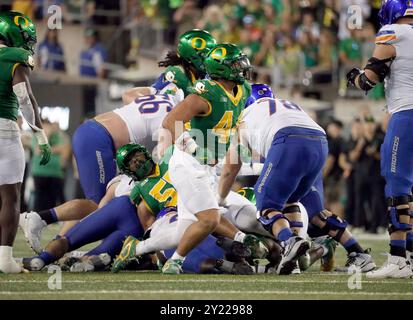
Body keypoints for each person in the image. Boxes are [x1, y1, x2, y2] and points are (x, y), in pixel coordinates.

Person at [160, 43, 254, 274]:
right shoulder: (206, 92)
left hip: (210, 166)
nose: (241, 67)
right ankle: (174, 263)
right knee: (209, 218)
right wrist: (194, 149)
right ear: (220, 68)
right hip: (188, 162)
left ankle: (141, 248)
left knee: (185, 227)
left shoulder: (244, 91)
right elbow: (170, 123)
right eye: (235, 64)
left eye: (241, 62)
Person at [218, 83, 328, 275]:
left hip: (287, 141)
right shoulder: (286, 104)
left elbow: (230, 167)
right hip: (320, 142)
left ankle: (290, 241)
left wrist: (220, 199)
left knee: (265, 203)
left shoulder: (245, 116)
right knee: (291, 200)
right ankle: (295, 259)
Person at [111, 143, 269, 273]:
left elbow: (219, 166)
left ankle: (247, 244)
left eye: (137, 156)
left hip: (193, 202)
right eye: (132, 162)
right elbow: (149, 226)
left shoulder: (170, 160)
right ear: (128, 171)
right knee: (190, 236)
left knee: (210, 214)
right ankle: (237, 251)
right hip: (171, 215)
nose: (137, 162)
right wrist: (158, 256)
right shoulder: (139, 191)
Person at [347, 0, 413, 278]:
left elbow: (369, 80)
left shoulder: (393, 32)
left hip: (407, 112)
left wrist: (355, 78)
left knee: (397, 182)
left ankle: (399, 258)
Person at [0, 11, 51, 273]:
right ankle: (6, 261)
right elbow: (24, 99)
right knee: (10, 198)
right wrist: (40, 136)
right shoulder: (14, 58)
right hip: (4, 131)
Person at [72, 89, 182, 204]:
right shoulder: (176, 117)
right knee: (97, 204)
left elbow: (126, 95)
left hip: (91, 128)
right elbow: (164, 157)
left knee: (100, 202)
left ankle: (54, 216)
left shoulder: (164, 97)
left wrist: (153, 90)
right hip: (99, 141)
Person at [122, 29, 216, 104]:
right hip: (167, 122)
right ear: (191, 57)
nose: (211, 60)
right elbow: (170, 114)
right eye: (206, 56)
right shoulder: (178, 74)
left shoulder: (202, 74)